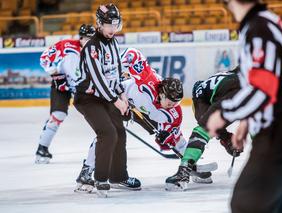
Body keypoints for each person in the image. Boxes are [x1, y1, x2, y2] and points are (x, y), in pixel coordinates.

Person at [207, 0, 282, 212]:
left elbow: (263, 87)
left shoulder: (259, 28)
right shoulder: (261, 24)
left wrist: (223, 113)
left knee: (247, 203)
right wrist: (247, 122)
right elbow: (269, 83)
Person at [75, 48, 190, 192]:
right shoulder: (147, 81)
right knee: (108, 134)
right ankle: (86, 171)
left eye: (176, 103)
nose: (172, 106)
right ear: (161, 93)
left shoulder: (173, 112)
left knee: (176, 138)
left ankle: (189, 163)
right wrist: (116, 71)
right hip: (120, 100)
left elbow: (172, 132)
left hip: (140, 109)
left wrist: (165, 138)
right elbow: (132, 53)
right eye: (170, 101)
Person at [74, 4, 140, 197]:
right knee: (108, 133)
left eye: (115, 25)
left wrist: (122, 94)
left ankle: (118, 176)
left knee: (120, 132)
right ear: (99, 24)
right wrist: (115, 99)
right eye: (108, 25)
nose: (112, 29)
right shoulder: (92, 47)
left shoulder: (113, 43)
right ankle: (100, 178)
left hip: (107, 96)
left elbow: (116, 73)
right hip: (88, 99)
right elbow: (98, 78)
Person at [165, 67, 243, 190]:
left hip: (236, 90)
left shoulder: (201, 98)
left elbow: (205, 128)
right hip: (247, 87)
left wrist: (226, 138)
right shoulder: (227, 77)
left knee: (204, 128)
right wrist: (227, 138)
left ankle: (183, 173)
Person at [35, 24, 95, 164]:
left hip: (81, 89)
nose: (89, 42)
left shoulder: (96, 51)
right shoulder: (66, 45)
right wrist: (55, 73)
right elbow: (44, 57)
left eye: (92, 39)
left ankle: (106, 145)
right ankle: (42, 148)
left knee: (98, 115)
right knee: (58, 115)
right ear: (80, 38)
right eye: (86, 39)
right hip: (61, 85)